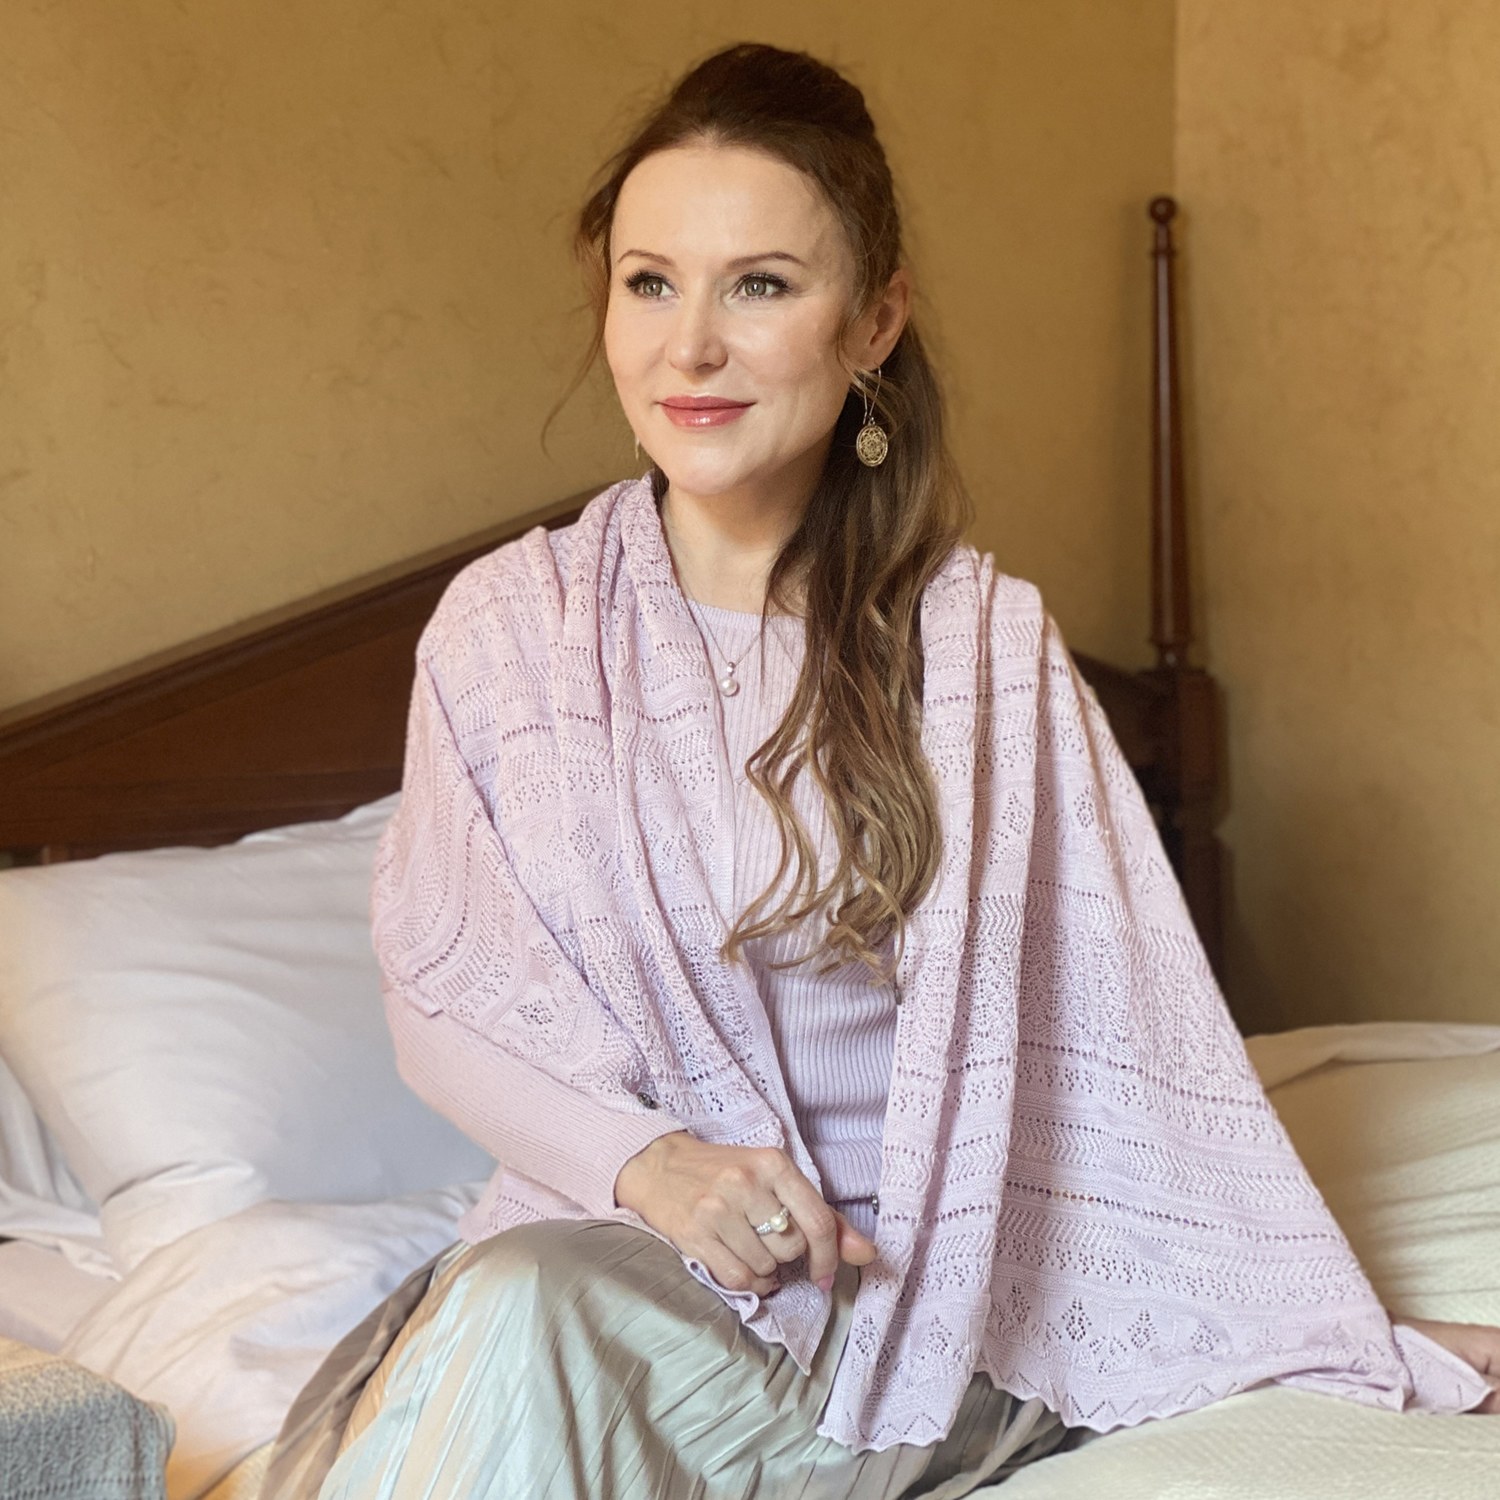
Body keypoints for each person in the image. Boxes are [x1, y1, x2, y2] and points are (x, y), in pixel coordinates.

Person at [262, 40, 1499, 1500]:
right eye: (649, 282)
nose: (688, 347)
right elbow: (443, 999)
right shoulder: (511, 633)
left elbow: (1133, 1055)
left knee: (526, 1335)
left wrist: (1283, 1318)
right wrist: (653, 1165)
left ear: (874, 322)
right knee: (523, 1306)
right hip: (606, 1275)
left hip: (911, 1308)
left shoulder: (982, 653)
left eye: (759, 285)